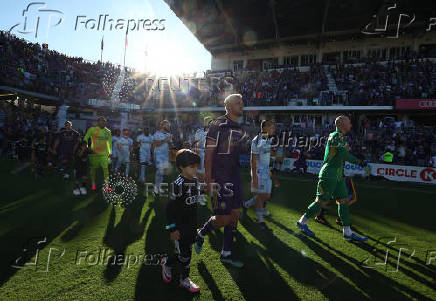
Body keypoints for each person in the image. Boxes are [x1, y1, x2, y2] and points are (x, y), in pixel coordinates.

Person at [296, 115, 368, 242]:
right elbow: (344, 154)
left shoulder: (340, 137)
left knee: (344, 201)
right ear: (342, 124)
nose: (351, 125)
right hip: (329, 175)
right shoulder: (336, 136)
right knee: (321, 202)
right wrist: (360, 162)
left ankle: (347, 233)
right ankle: (302, 221)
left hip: (338, 176)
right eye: (349, 123)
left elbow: (342, 154)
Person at [195, 94, 246, 267]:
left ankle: (226, 253)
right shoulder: (217, 125)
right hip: (220, 178)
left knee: (234, 215)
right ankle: (201, 233)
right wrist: (208, 179)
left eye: (242, 102)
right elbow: (208, 154)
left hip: (235, 177)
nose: (242, 105)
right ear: (228, 106)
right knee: (223, 219)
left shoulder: (239, 127)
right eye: (238, 103)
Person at [161, 149, 201, 293]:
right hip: (179, 228)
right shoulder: (177, 185)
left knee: (186, 253)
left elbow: (192, 204)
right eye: (192, 167)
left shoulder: (195, 181)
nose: (195, 169)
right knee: (185, 255)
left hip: (191, 226)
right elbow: (169, 210)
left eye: (196, 166)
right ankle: (184, 279)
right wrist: (172, 229)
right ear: (181, 168)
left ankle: (168, 262)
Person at [244, 120, 279, 231]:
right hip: (259, 172)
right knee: (261, 196)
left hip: (266, 171)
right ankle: (260, 221)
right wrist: (254, 177)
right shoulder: (257, 140)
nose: (274, 129)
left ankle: (247, 204)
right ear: (265, 127)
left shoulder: (267, 139)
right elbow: (253, 159)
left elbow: (267, 155)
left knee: (266, 196)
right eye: (272, 127)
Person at [83, 116, 112, 191]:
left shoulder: (108, 131)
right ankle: (93, 184)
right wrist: (86, 146)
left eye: (104, 121)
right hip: (94, 153)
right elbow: (86, 138)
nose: (103, 123)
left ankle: (106, 185)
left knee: (106, 170)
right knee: (93, 169)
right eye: (101, 121)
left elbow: (109, 143)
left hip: (104, 154)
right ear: (98, 122)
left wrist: (110, 152)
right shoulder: (92, 129)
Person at [193, 117, 212, 206]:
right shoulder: (199, 132)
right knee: (200, 177)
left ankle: (201, 195)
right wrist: (197, 159)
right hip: (201, 154)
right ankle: (198, 197)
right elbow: (196, 145)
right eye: (210, 122)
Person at [152, 120, 172, 195]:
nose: (168, 127)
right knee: (159, 171)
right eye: (167, 125)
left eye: (169, 125)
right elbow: (157, 144)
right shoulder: (157, 134)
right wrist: (166, 140)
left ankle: (159, 187)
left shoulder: (168, 134)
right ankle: (156, 188)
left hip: (165, 155)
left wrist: (170, 142)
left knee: (162, 171)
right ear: (162, 125)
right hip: (159, 155)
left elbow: (170, 145)